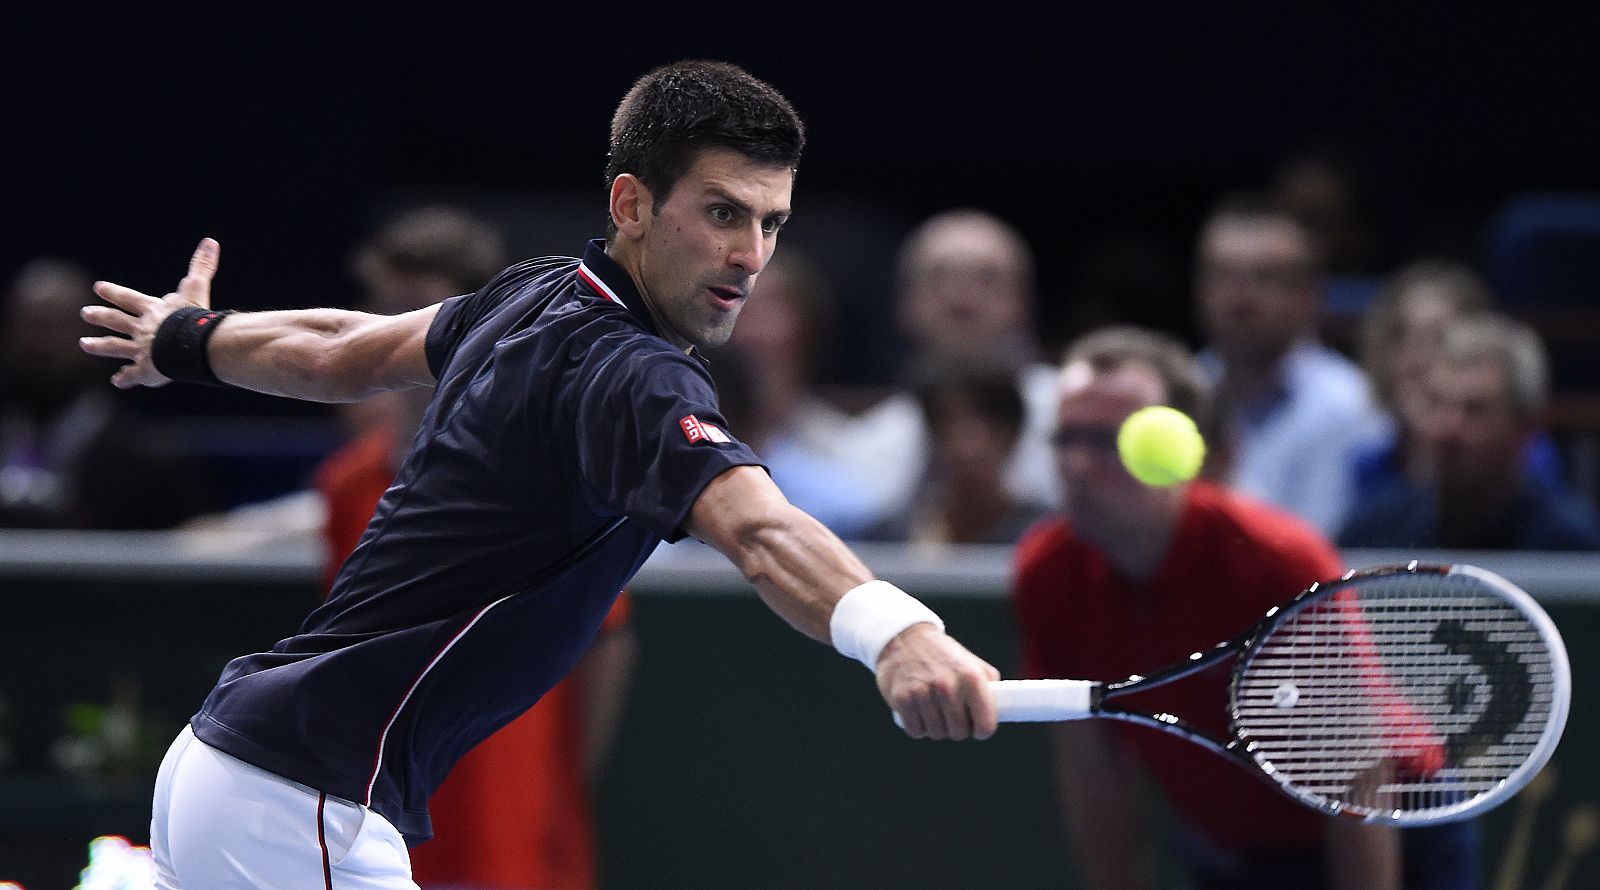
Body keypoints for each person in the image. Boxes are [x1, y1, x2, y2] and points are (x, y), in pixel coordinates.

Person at [81, 60, 1000, 889]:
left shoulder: (540, 290)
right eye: (723, 212)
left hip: (241, 773)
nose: (750, 255)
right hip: (301, 799)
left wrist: (189, 340)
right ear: (632, 204)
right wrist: (898, 633)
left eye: (771, 223)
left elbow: (344, 352)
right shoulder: (635, 372)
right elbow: (760, 529)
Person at [1011, 326, 1474, 889]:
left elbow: (1359, 772)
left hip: (1391, 825)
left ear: (1179, 449)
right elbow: (1094, 771)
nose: (1080, 465)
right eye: (1068, 437)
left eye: (1111, 440)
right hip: (1231, 846)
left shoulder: (1279, 562)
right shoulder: (1046, 574)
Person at [318, 207, 635, 890]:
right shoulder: (346, 485)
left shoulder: (548, 464)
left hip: (508, 817)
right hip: (374, 810)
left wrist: (555, 787)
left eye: (416, 307)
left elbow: (605, 645)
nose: (394, 325)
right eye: (383, 304)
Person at [838, 209, 1060, 521]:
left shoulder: (1072, 416)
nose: (961, 298)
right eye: (939, 277)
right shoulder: (868, 445)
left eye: (987, 277)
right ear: (905, 305)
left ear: (1023, 303)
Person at [1194, 192, 1389, 536]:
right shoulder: (1181, 390)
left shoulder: (1351, 405)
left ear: (1310, 294)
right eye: (1222, 275)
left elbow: (1325, 544)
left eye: (1265, 278)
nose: (1240, 298)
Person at [1340, 313, 1600, 550]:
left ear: (1527, 426)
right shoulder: (1371, 535)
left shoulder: (1573, 547)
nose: (1448, 428)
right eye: (1436, 403)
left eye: (1474, 409)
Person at [0, 259, 215, 529]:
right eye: (30, 327)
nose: (42, 346)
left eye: (57, 326)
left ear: (95, 333)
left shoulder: (152, 462)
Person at [711, 250, 878, 538]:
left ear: (808, 328)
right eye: (739, 306)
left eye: (769, 309)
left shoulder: (856, 454)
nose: (754, 333)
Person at [861, 360, 1051, 546]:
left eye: (980, 432)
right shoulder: (890, 537)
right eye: (949, 428)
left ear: (1014, 434)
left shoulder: (1046, 539)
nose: (966, 450)